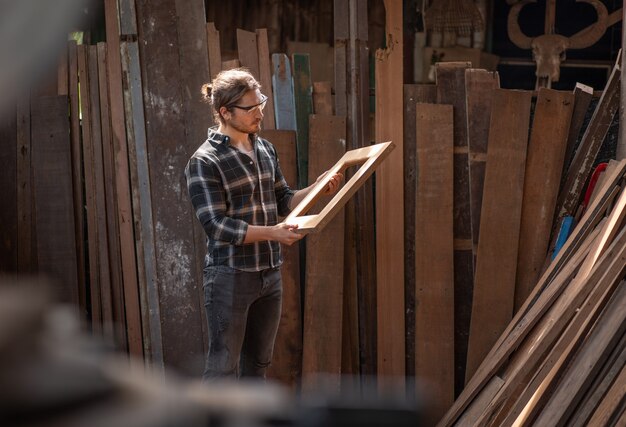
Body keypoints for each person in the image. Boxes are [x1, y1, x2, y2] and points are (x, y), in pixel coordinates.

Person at [185, 68, 342, 381]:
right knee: (222, 368)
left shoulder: (264, 149)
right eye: (251, 108)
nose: (259, 113)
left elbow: (283, 199)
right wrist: (273, 233)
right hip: (229, 277)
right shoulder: (204, 161)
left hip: (269, 274)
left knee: (258, 365)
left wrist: (316, 187)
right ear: (224, 112)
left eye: (261, 103)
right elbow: (217, 226)